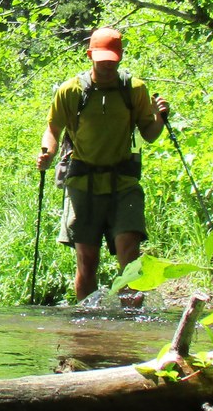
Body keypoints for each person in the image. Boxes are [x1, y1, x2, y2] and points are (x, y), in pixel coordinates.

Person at [34, 27, 169, 306]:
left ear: (120, 57)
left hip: (124, 183)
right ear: (90, 55)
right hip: (83, 183)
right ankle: (88, 329)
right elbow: (53, 129)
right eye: (101, 58)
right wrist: (48, 152)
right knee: (87, 260)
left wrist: (160, 118)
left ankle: (130, 322)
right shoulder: (70, 91)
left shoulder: (134, 89)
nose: (107, 64)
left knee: (129, 253)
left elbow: (150, 134)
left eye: (112, 59)